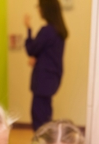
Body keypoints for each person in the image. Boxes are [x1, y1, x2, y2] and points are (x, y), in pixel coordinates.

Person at [24, 0, 68, 131]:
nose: (38, 10)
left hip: (43, 79)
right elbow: (46, 52)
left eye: (39, 7)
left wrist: (28, 29)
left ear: (45, 9)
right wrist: (37, 58)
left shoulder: (47, 31)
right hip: (52, 78)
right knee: (45, 113)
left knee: (39, 116)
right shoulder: (59, 31)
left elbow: (32, 49)